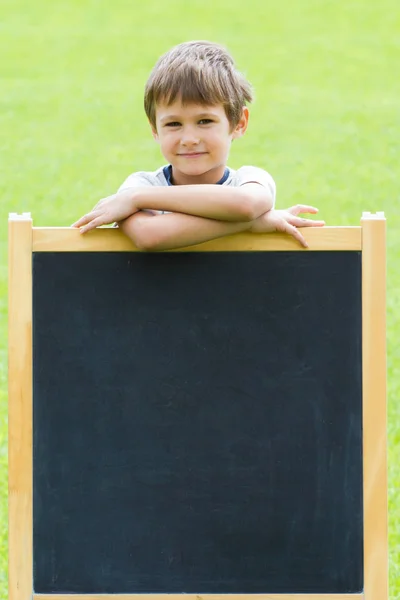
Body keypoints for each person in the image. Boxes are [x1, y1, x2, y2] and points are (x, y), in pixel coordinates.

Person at [72, 41, 324, 250]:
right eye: (173, 124)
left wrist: (135, 200)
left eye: (204, 121)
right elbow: (150, 236)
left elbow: (246, 206)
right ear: (154, 129)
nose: (189, 138)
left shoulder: (250, 179)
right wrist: (252, 223)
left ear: (238, 123)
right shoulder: (140, 184)